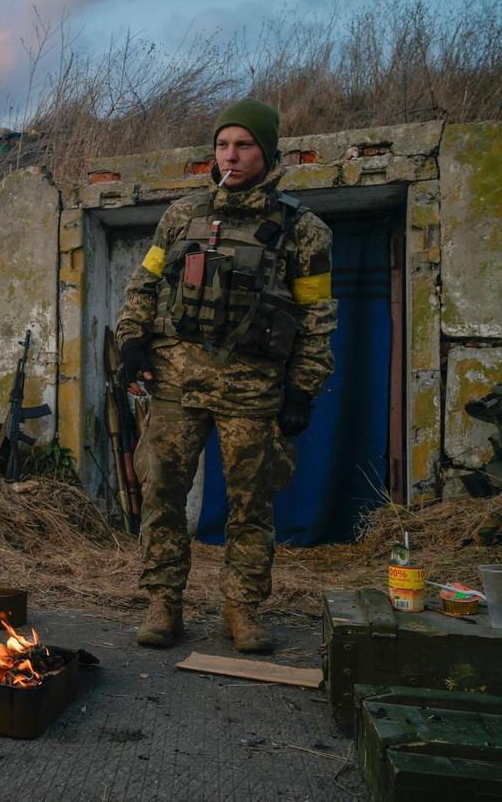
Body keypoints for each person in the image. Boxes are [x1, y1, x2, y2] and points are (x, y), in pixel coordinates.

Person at [115, 97, 337, 653]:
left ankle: (242, 611)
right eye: (222, 145)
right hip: (176, 382)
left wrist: (303, 388)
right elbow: (144, 285)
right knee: (163, 493)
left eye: (243, 145)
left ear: (267, 151)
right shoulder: (180, 215)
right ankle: (164, 604)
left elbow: (317, 318)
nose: (230, 156)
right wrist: (132, 342)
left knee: (252, 503)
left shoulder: (302, 230)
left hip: (252, 388)